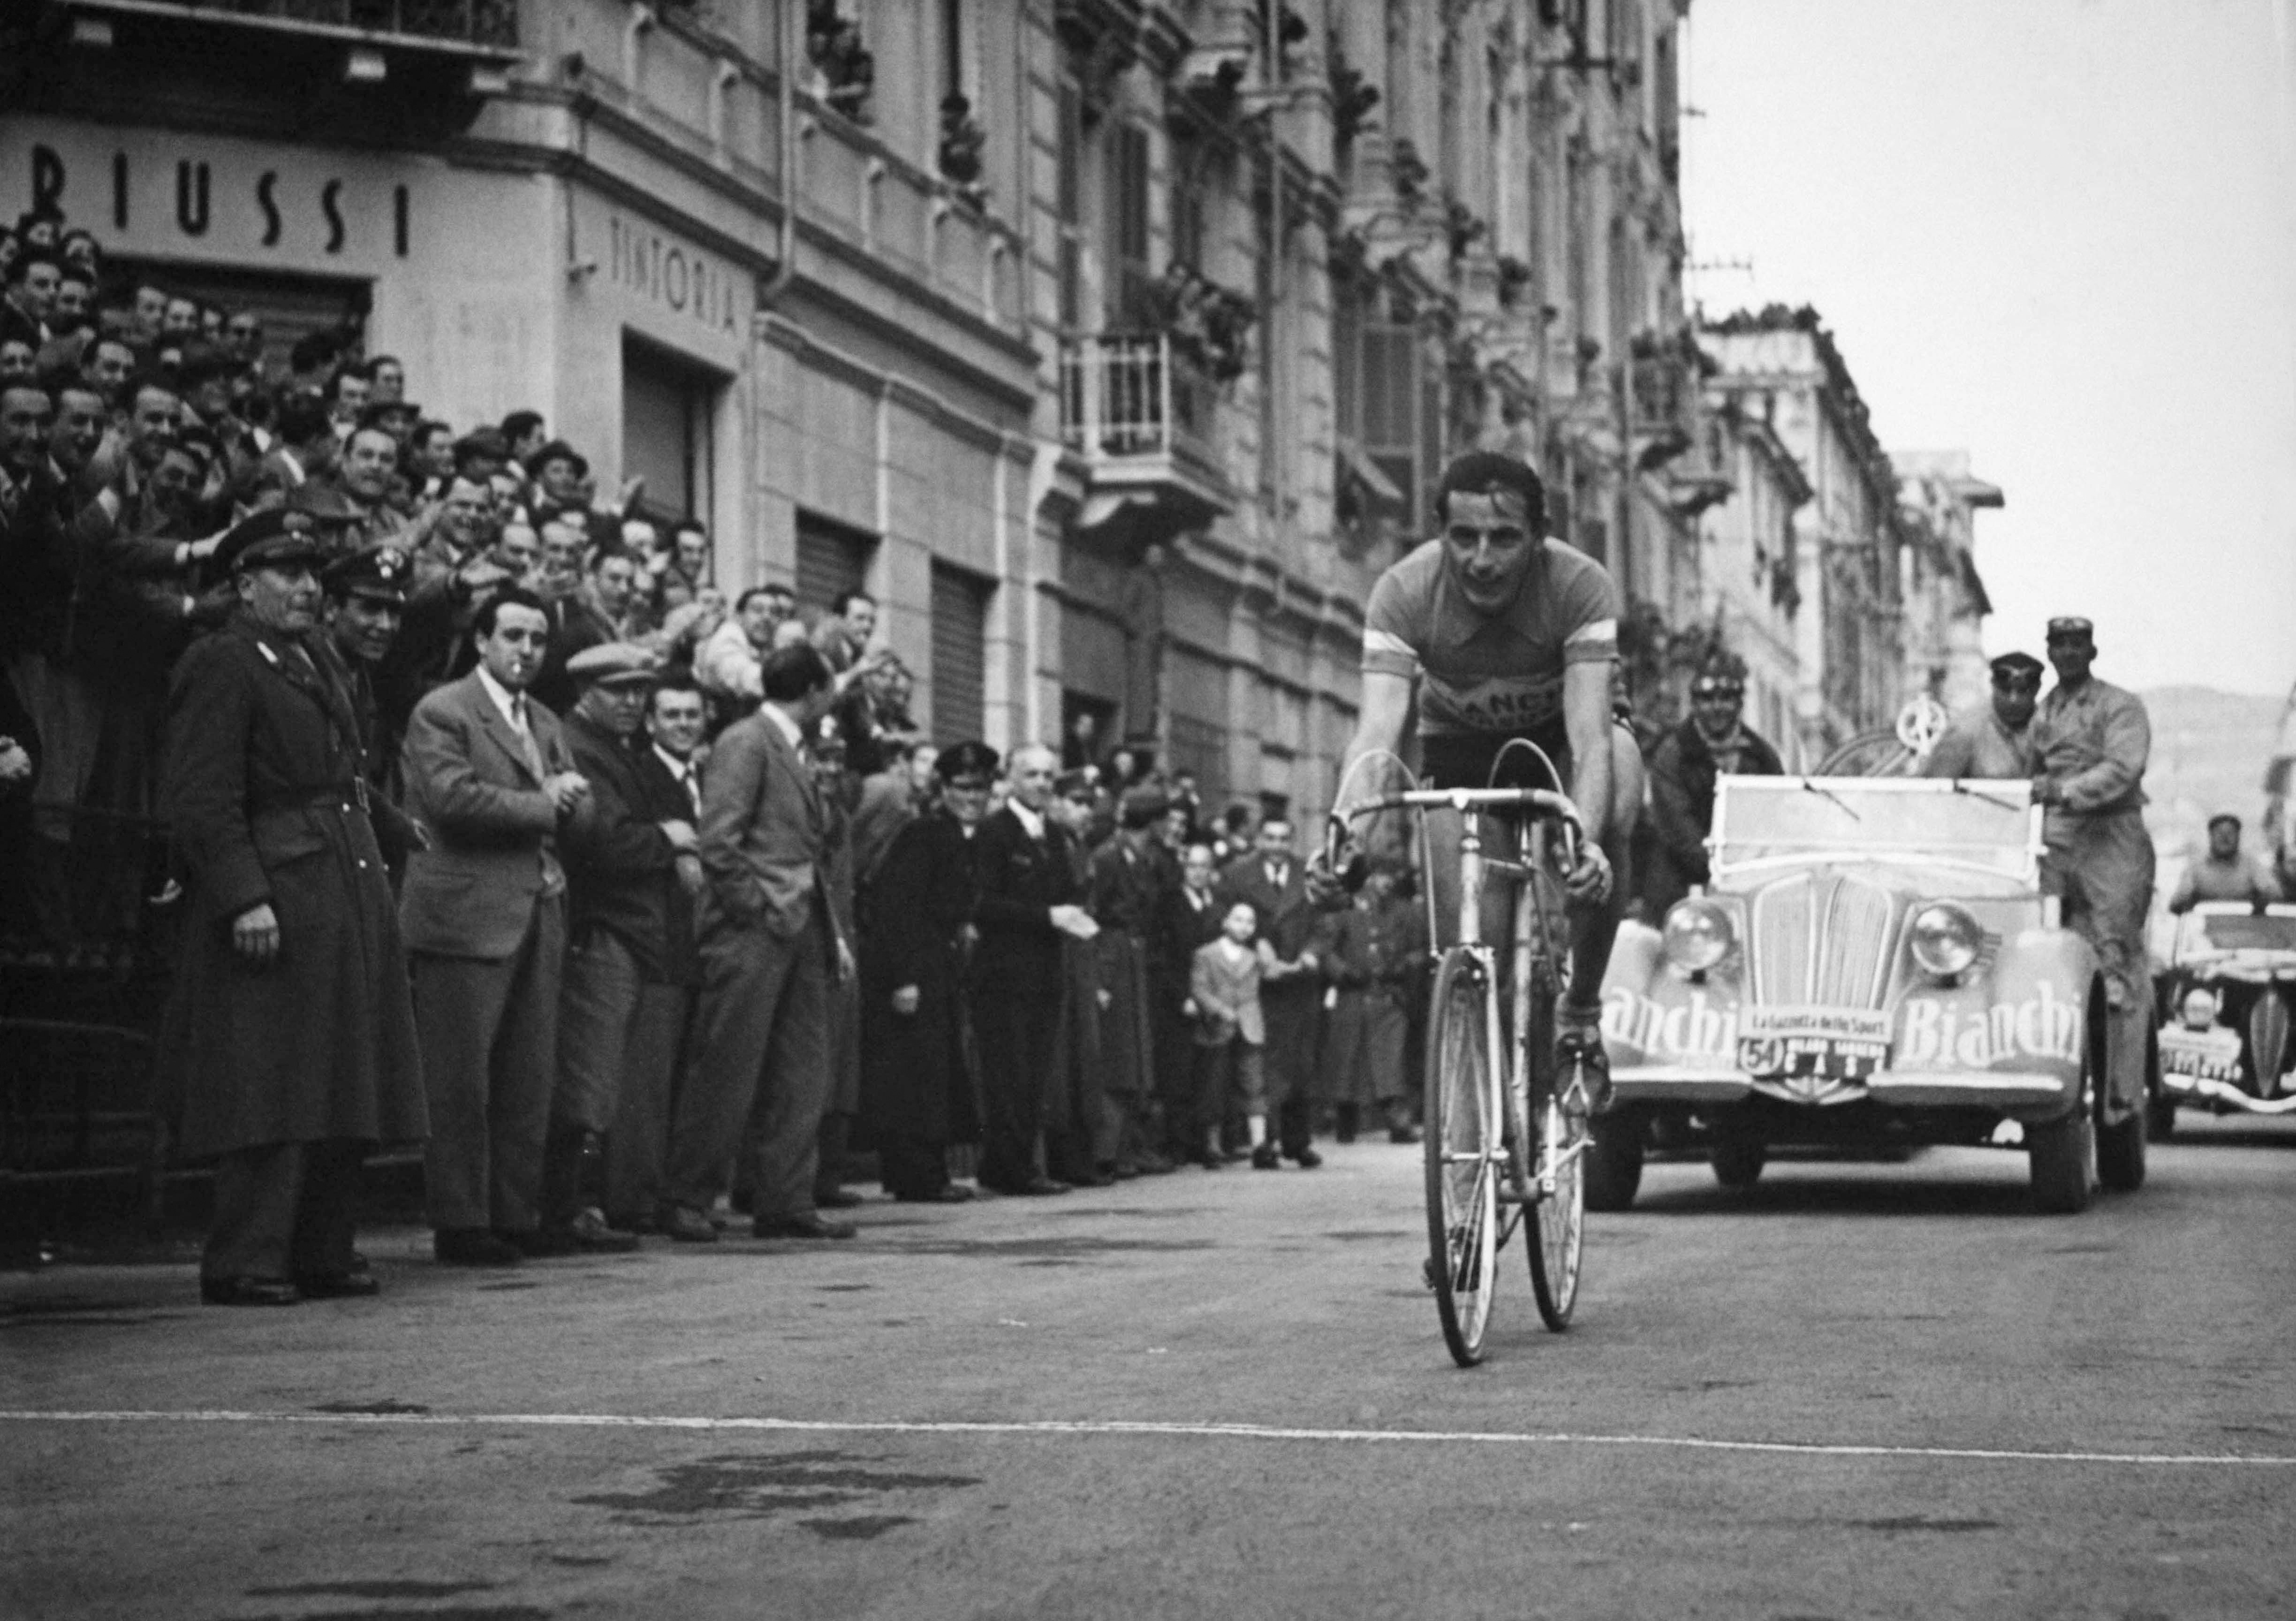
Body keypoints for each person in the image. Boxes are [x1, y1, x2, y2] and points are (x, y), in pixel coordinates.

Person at [158, 513, 426, 1305]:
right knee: (269, 1081)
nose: (307, 587)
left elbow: (337, 772)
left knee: (340, 1076)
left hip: (337, 885)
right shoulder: (224, 661)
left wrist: (390, 821)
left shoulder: (307, 659)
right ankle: (246, 1258)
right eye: (287, 572)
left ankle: (320, 1249)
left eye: (313, 573)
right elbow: (203, 795)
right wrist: (243, 897)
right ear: (244, 584)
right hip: (282, 888)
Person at [1332, 450, 1635, 1107]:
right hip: (1461, 746)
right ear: (1439, 533)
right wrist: (1340, 833)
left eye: (1503, 538)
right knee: (1475, 944)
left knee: (1619, 778)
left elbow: (1587, 740)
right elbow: (1376, 734)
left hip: (1559, 738)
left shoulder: (1578, 583)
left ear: (1538, 534)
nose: (1480, 558)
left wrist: (1584, 840)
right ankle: (1488, 1094)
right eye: (1463, 537)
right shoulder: (1404, 590)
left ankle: (1579, 1013)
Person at [398, 586, 593, 1267]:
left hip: (536, 906)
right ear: (481, 640)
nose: (527, 650)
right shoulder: (443, 710)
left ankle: (515, 1212)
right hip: (463, 913)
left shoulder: (542, 718)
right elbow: (448, 799)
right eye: (512, 635)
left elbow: (571, 805)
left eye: (537, 639)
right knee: (459, 1078)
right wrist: (545, 802)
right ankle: (461, 1218)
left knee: (527, 1075)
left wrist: (574, 802)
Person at [659, 643, 854, 1242]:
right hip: (756, 928)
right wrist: (758, 910)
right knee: (727, 1064)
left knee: (801, 1068)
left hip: (795, 923)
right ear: (815, 689)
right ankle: (688, 1197)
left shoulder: (789, 745)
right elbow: (719, 840)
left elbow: (810, 844)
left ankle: (785, 1198)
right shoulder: (747, 741)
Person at [544, 641, 695, 1254]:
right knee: (588, 1075)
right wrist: (670, 839)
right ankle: (570, 1205)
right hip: (600, 924)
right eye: (618, 691)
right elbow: (605, 842)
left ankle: (580, 1203)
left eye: (639, 690)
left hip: (625, 930)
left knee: (601, 1076)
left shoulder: (611, 747)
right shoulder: (580, 745)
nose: (633, 702)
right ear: (586, 692)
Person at [2029, 615, 2156, 1114]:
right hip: (2056, 836)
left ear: (2091, 650)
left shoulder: (2119, 706)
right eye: (2058, 644)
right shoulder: (2043, 712)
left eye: (2075, 644)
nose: (2067, 652)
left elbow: (2124, 767)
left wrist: (2063, 790)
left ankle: (2121, 1096)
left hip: (2111, 835)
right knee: (2045, 949)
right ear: (2049, 652)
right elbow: (2028, 771)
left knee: (2115, 959)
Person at [863, 740, 996, 1201]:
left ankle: (921, 1172)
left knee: (933, 1071)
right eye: (961, 787)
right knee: (917, 1074)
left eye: (979, 788)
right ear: (944, 788)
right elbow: (894, 906)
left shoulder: (963, 836)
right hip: (914, 966)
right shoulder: (925, 833)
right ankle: (918, 1176)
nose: (971, 797)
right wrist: (903, 977)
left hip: (939, 963)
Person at [599, 675, 708, 1226]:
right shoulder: (640, 775)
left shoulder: (709, 777)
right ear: (651, 723)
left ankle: (675, 1193)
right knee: (647, 1078)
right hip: (661, 940)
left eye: (692, 714)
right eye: (672, 715)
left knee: (689, 1078)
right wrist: (673, 849)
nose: (684, 724)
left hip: (705, 944)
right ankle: (637, 1200)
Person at [973, 743, 1103, 1194]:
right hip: (1003, 971)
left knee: (1035, 1071)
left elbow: (1066, 893)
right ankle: (1008, 1168)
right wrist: (1047, 917)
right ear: (1010, 778)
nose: (1043, 784)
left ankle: (1020, 1163)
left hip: (1047, 968)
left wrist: (1071, 918)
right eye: (1032, 775)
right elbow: (983, 902)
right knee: (1007, 1072)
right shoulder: (993, 832)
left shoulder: (1053, 835)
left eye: (1049, 776)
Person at [1217, 815, 1326, 1169]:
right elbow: (1224, 919)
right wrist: (1257, 945)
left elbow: (1325, 921)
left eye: (1283, 839)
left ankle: (1298, 1141)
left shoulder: (1309, 872)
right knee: (1263, 1064)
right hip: (1258, 983)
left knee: (1301, 1064)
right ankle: (1266, 1141)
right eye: (1270, 838)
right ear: (1259, 839)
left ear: (1291, 841)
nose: (1277, 846)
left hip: (1300, 983)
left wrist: (1310, 954)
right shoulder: (1237, 875)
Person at [1089, 784, 1180, 1177]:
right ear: (1154, 820)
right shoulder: (1109, 857)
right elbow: (1093, 912)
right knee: (1119, 1054)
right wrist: (1100, 975)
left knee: (1137, 1056)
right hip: (1113, 954)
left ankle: (1127, 1146)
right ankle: (1108, 1150)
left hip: (1137, 956)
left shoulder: (1147, 857)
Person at [1645, 667, 1786, 915]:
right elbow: (1680, 832)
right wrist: (1723, 872)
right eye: (1708, 700)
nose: (1718, 707)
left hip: (1748, 888)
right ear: (1694, 704)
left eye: (1727, 698)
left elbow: (1776, 822)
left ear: (1740, 703)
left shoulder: (1762, 757)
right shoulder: (1672, 756)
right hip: (1683, 889)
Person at [1324, 862, 1429, 1145]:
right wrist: (1344, 972)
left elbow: (1421, 950)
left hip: (1389, 996)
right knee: (1349, 1060)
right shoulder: (1345, 910)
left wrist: (1403, 966)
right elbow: (1328, 950)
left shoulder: (1406, 912)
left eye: (1390, 877)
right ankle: (1346, 1118)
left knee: (1391, 1061)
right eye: (1380, 876)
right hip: (1354, 996)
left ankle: (1398, 1120)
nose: (1386, 883)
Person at [1156, 841, 1231, 1166]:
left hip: (1214, 1000)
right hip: (1182, 999)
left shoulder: (1220, 905)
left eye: (1204, 866)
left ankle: (1208, 1144)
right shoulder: (1170, 903)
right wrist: (1181, 996)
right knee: (1179, 1074)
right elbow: (1163, 956)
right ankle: (1177, 1144)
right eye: (1192, 866)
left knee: (1211, 1074)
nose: (1198, 872)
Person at [1190, 901, 1274, 1170]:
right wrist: (1219, 1009)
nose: (1244, 927)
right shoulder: (1206, 954)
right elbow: (1200, 989)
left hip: (1249, 1027)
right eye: (1238, 920)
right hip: (1218, 1028)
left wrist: (1277, 957)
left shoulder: (1254, 957)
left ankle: (1260, 1146)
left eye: (1250, 922)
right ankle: (1212, 1146)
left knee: (1254, 1083)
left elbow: (1273, 972)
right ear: (1225, 922)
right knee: (1214, 1085)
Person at [1925, 651, 2043, 781]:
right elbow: (1936, 791)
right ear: (1993, 684)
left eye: (2022, 691)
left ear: (2037, 689)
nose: (2013, 700)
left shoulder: (2048, 726)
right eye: (2006, 690)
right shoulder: (1965, 731)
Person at [2168, 814, 2281, 913]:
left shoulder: (2251, 865)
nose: (2225, 838)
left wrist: (2263, 899)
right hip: (2204, 932)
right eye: (2219, 833)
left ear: (2238, 837)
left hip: (2248, 929)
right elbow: (2176, 903)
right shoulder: (2196, 868)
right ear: (2211, 836)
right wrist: (2186, 900)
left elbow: (2274, 892)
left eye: (2230, 833)